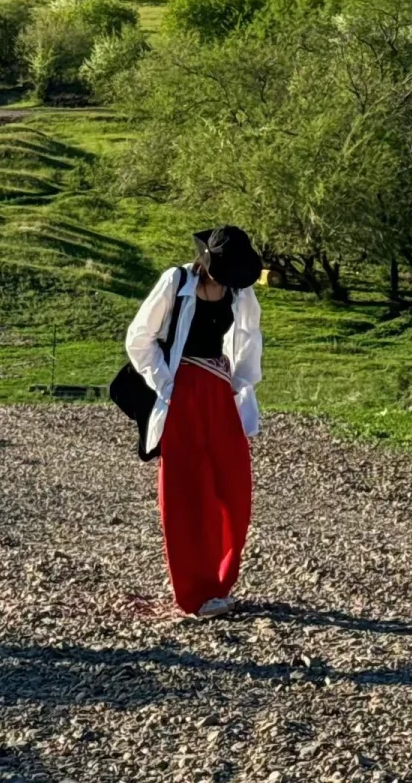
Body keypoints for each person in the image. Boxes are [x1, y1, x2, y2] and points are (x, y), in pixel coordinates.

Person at [125, 225, 263, 618]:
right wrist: (168, 385)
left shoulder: (239, 290)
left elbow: (249, 338)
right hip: (181, 394)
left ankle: (220, 582)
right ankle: (194, 593)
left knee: (233, 488)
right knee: (186, 492)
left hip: (219, 394)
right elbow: (139, 337)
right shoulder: (176, 281)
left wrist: (240, 387)